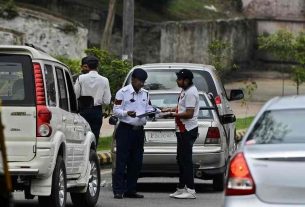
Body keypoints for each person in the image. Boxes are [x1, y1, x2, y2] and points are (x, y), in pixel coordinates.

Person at [112, 68, 159, 199]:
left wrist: (153, 111)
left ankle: (131, 189)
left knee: (136, 161)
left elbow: (148, 108)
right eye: (140, 81)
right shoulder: (123, 93)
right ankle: (118, 190)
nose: (142, 84)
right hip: (125, 130)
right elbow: (116, 110)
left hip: (139, 131)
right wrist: (127, 113)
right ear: (133, 80)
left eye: (143, 82)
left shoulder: (145, 93)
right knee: (122, 161)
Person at [162, 69, 199, 199]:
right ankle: (181, 187)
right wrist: (170, 109)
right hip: (181, 129)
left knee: (186, 160)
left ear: (186, 80)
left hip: (187, 130)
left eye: (179, 79)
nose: (177, 81)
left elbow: (189, 113)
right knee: (181, 159)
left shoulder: (191, 93)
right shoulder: (185, 91)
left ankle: (191, 190)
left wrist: (172, 114)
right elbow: (182, 107)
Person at [74, 55, 111, 145]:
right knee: (95, 136)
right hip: (96, 111)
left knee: (82, 136)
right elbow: (107, 101)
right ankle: (92, 155)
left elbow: (75, 95)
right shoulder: (104, 80)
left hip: (83, 110)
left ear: (87, 66)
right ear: (97, 66)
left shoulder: (81, 78)